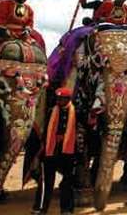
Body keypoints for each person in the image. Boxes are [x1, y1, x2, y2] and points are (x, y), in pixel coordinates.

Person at [32, 87, 77, 215]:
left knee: (68, 181)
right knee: (47, 180)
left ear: (68, 99)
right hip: (51, 151)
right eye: (58, 98)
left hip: (68, 152)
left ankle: (66, 209)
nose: (60, 101)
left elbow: (79, 131)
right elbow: (46, 129)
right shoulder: (52, 111)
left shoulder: (75, 112)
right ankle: (41, 208)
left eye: (62, 98)